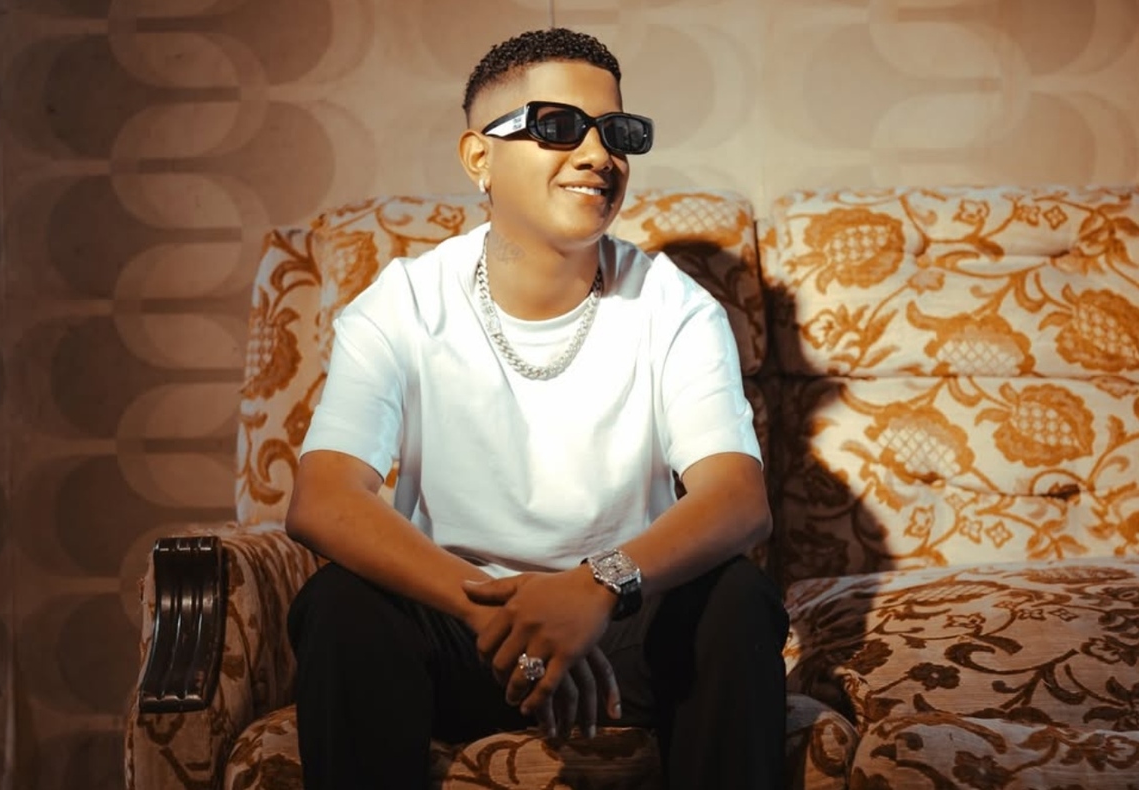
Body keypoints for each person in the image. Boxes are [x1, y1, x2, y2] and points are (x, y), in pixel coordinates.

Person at [285, 27, 789, 789]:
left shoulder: (674, 308)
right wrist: (498, 615)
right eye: (558, 127)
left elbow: (738, 500)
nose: (598, 155)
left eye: (617, 132)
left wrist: (595, 588)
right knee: (341, 605)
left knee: (737, 601)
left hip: (623, 632)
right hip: (463, 633)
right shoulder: (402, 306)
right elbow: (323, 500)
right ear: (478, 158)